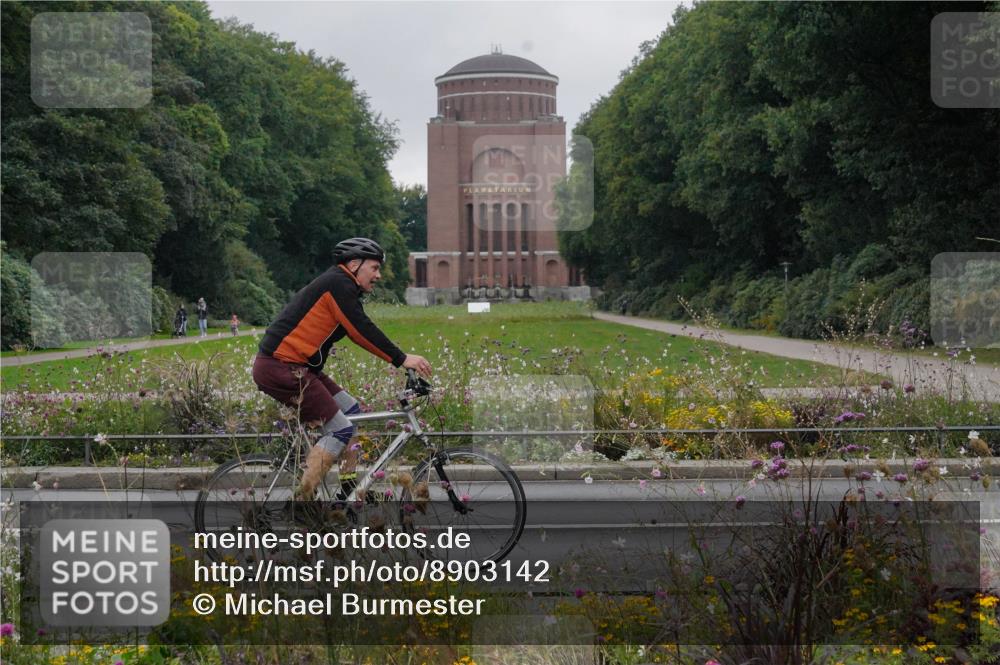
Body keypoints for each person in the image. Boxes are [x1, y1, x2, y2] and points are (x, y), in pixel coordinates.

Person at [252, 237, 433, 501]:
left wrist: (398, 358)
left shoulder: (341, 285)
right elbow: (359, 329)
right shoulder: (338, 283)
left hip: (298, 367)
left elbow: (357, 327)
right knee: (340, 430)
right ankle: (303, 501)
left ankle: (347, 490)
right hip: (282, 367)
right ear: (354, 264)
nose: (378, 275)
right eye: (374, 267)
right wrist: (401, 358)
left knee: (351, 412)